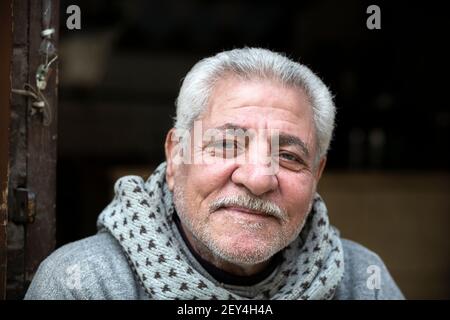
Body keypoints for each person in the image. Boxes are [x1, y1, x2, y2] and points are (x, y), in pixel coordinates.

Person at [25, 48, 404, 300]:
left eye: (289, 156)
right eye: (226, 145)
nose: (257, 178)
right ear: (176, 156)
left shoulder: (361, 281)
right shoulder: (87, 284)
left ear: (316, 173)